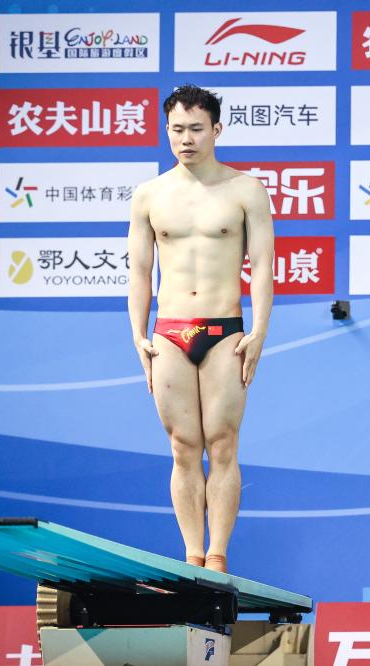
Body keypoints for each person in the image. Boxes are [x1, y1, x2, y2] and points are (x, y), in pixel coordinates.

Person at [128, 85, 275, 573]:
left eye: (196, 129)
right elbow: (140, 271)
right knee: (183, 446)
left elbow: (262, 266)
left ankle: (217, 556)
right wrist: (137, 333)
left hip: (226, 330)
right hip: (169, 330)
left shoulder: (246, 190)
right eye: (177, 130)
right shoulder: (149, 195)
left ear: (216, 129)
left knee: (223, 442)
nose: (186, 139)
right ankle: (192, 555)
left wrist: (259, 330)